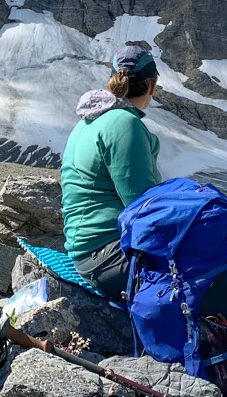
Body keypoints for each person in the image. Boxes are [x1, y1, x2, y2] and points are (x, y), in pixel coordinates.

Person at [61, 45, 161, 299]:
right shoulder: (125, 123)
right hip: (107, 258)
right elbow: (142, 204)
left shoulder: (89, 119)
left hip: (86, 253)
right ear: (152, 86)